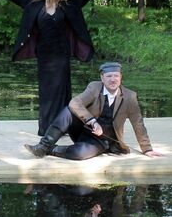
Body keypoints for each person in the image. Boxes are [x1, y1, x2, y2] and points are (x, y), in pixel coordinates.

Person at [0, 0, 125, 136]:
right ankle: (47, 128)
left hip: (62, 54)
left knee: (62, 91)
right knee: (47, 92)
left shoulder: (68, 2)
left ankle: (63, 127)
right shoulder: (33, 3)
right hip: (45, 56)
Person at [24, 62, 164, 160]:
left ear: (121, 77)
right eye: (109, 76)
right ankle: (43, 145)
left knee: (79, 154)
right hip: (82, 130)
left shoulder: (130, 96)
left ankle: (50, 150)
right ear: (102, 78)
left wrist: (147, 149)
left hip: (102, 141)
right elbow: (75, 103)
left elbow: (138, 124)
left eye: (116, 76)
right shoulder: (94, 88)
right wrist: (92, 121)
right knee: (68, 110)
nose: (113, 79)